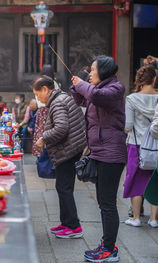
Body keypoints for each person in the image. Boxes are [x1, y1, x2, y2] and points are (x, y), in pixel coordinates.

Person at [71, 55, 127, 262]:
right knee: (104, 203)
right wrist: (75, 85)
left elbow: (95, 96)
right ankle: (107, 245)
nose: (90, 74)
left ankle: (110, 250)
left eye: (93, 70)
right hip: (100, 152)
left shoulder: (114, 89)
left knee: (108, 204)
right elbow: (80, 98)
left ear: (103, 72)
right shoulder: (97, 90)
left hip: (111, 154)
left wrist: (83, 84)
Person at [33, 75, 87, 239]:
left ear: (45, 89)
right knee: (62, 186)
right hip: (72, 147)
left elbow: (61, 128)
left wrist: (44, 138)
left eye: (37, 94)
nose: (38, 98)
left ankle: (73, 226)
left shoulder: (57, 102)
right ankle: (65, 223)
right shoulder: (61, 98)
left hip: (69, 150)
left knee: (64, 188)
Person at [124, 65, 158, 228]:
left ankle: (136, 217)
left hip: (136, 146)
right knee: (155, 180)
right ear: (154, 79)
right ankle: (153, 219)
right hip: (156, 146)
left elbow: (128, 125)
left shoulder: (131, 99)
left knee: (136, 179)